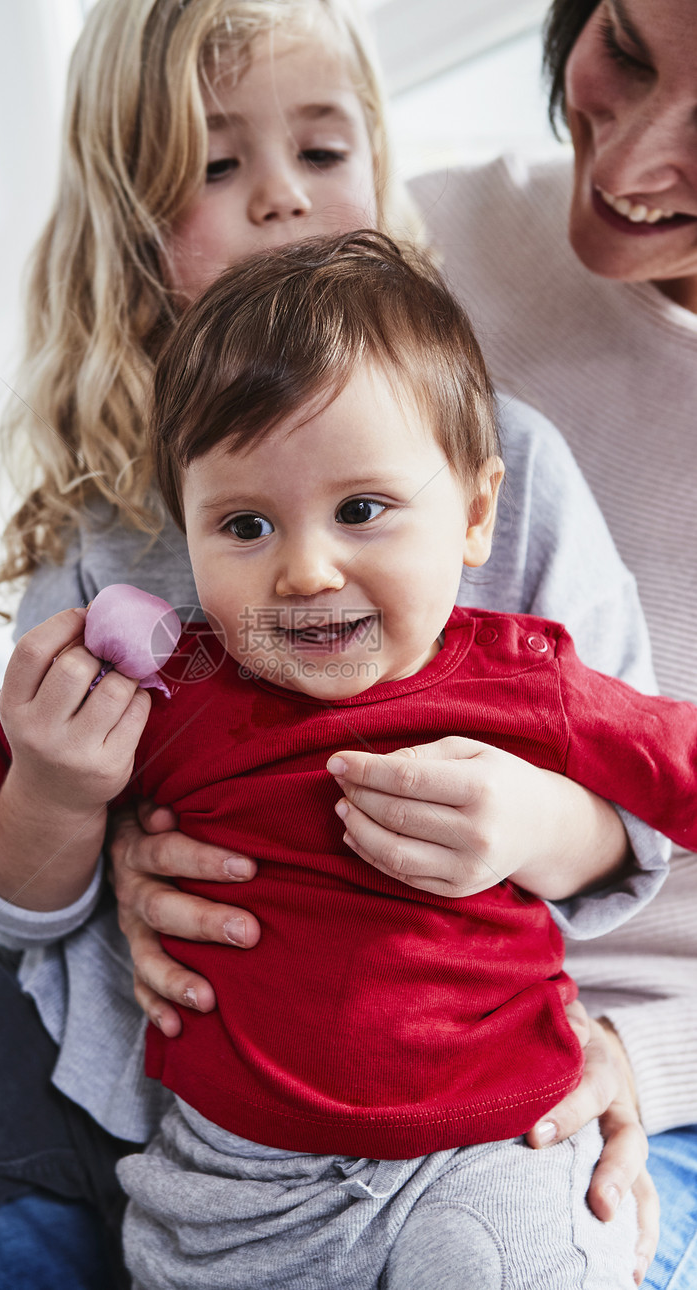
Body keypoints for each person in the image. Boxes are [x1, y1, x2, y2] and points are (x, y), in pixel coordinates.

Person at [0, 0, 667, 1285]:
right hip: (125, 1050)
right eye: (216, 166)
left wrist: (528, 824)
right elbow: (9, 888)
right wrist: (68, 796)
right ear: (129, 223)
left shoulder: (508, 475)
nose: (280, 200)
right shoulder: (108, 527)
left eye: (321, 155)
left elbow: (639, 800)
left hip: (441, 1087)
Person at [403, 1, 697, 1285]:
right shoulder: (422, 239)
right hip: (267, 973)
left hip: (610, 1059)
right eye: (623, 51)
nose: (626, 163)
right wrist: (118, 856)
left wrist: (641, 1052)